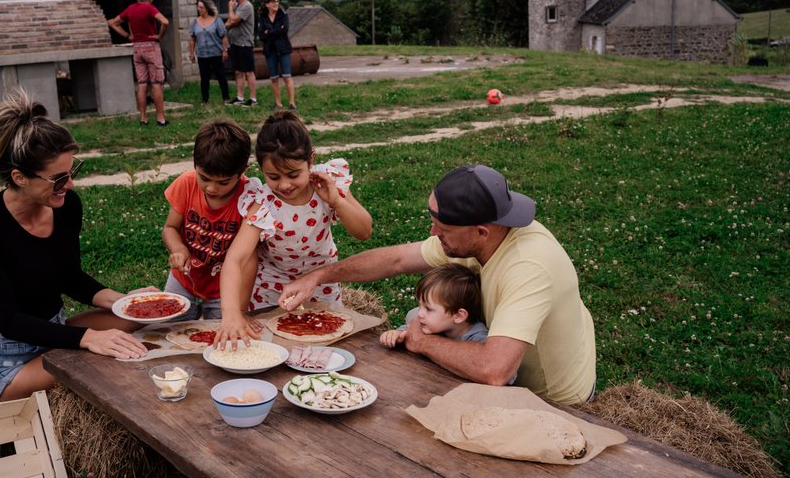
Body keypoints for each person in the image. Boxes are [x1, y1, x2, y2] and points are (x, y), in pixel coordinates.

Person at [278, 165, 597, 405]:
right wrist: (319, 276)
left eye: (442, 228)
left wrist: (422, 341)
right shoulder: (485, 236)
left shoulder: (528, 267)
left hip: (553, 402)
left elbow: (495, 370)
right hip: (503, 386)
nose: (433, 233)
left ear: (481, 232)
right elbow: (396, 260)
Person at [0, 89, 152, 403]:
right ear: (20, 177)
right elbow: (7, 319)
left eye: (72, 172)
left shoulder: (66, 205)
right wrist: (88, 338)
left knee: (142, 315)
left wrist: (124, 302)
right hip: (7, 360)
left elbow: (69, 277)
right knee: (100, 363)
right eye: (59, 179)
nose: (70, 185)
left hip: (54, 333)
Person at [215, 111, 373, 345]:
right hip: (273, 292)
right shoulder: (264, 204)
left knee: (325, 348)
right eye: (273, 176)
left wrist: (337, 201)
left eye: (293, 174)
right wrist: (231, 314)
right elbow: (235, 259)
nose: (285, 184)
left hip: (321, 286)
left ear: (311, 160)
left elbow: (364, 231)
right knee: (276, 348)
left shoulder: (328, 183)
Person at [161, 118, 257, 320]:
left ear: (243, 171)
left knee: (221, 334)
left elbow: (249, 256)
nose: (212, 188)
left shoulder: (249, 198)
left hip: (224, 289)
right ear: (195, 164)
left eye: (223, 182)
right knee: (169, 328)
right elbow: (170, 228)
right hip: (183, 281)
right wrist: (178, 249)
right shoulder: (186, 184)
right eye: (204, 178)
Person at [379, 263, 488, 347]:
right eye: (420, 305)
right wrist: (397, 334)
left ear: (458, 316)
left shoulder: (479, 340)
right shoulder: (433, 325)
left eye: (428, 309)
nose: (420, 313)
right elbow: (410, 330)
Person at [107, 0, 170, 126]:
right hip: (151, 47)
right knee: (156, 83)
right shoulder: (149, 8)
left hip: (137, 48)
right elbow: (165, 22)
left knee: (142, 83)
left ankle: (143, 118)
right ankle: (160, 118)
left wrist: (128, 35)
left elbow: (113, 23)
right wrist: (159, 36)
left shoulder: (130, 9)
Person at [189, 0, 231, 105]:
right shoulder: (195, 22)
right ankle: (204, 99)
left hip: (216, 53)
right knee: (204, 78)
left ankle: (226, 97)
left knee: (221, 76)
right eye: (198, 7)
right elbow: (192, 39)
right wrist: (191, 53)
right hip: (202, 54)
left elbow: (223, 37)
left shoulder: (217, 20)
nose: (199, 9)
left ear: (207, 8)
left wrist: (225, 50)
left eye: (201, 7)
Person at [258, 0, 296, 111]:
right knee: (274, 78)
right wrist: (275, 31)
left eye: (277, 1)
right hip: (270, 51)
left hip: (283, 49)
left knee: (287, 76)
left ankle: (292, 103)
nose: (276, 3)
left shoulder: (283, 15)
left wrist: (269, 32)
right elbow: (261, 36)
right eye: (273, 1)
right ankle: (278, 104)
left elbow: (284, 30)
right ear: (267, 4)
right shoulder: (263, 18)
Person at [225, 0, 257, 106]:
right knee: (238, 71)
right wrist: (232, 21)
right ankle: (240, 97)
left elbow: (233, 20)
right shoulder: (237, 6)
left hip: (245, 43)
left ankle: (253, 99)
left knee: (248, 71)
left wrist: (230, 8)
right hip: (235, 43)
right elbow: (229, 23)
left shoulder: (246, 6)